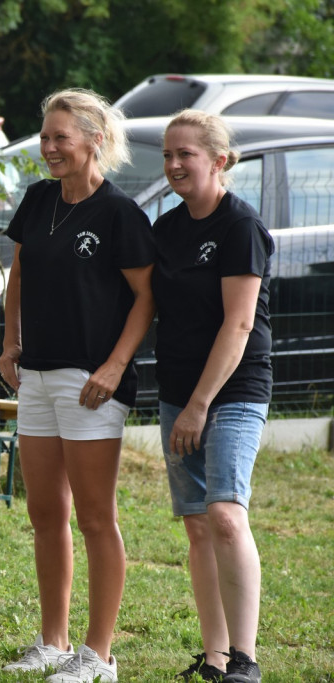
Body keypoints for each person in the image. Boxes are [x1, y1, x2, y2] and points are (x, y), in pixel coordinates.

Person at [0, 88, 155, 682]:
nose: (50, 147)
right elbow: (18, 276)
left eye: (62, 137)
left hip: (90, 383)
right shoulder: (38, 201)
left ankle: (99, 656)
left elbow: (145, 297)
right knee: (44, 513)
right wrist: (11, 344)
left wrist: (113, 368)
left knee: (94, 516)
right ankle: (53, 643)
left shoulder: (119, 213)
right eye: (45, 136)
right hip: (35, 375)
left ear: (95, 140)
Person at [153, 110, 272, 683]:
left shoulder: (239, 226)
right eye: (168, 155)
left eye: (187, 155)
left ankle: (245, 660)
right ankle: (215, 657)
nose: (174, 165)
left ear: (219, 160)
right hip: (177, 389)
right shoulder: (168, 228)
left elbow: (239, 325)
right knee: (198, 524)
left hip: (233, 390)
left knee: (226, 513)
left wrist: (201, 405)